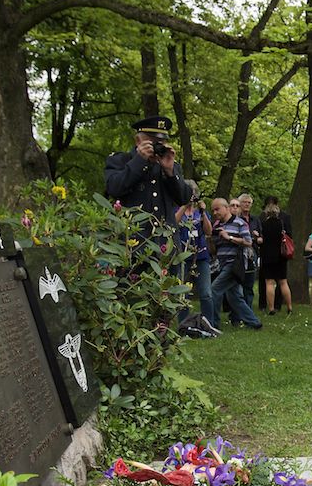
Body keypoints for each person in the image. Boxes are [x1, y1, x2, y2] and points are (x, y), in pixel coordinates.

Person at [105, 115, 192, 239]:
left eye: (162, 142)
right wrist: (139, 161)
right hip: (133, 241)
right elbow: (114, 188)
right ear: (138, 141)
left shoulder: (170, 166)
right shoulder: (121, 160)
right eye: (153, 141)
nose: (157, 146)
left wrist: (170, 171)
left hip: (165, 242)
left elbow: (184, 198)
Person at [209, 198, 262, 330]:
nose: (215, 213)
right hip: (222, 264)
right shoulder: (216, 226)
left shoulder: (240, 223)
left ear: (226, 208)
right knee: (234, 297)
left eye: (217, 209)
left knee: (214, 290)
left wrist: (230, 238)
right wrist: (210, 240)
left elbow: (248, 242)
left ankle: (213, 323)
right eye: (213, 210)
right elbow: (214, 250)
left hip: (234, 265)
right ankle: (254, 323)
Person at [172, 180, 216, 329]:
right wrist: (184, 205)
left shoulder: (199, 212)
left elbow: (209, 231)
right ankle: (184, 325)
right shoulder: (176, 209)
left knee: (206, 293)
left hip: (201, 257)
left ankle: (209, 324)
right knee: (183, 293)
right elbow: (174, 224)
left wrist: (203, 212)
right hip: (183, 257)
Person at [257, 199, 293, 316]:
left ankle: (271, 308)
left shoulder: (263, 225)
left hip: (267, 256)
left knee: (269, 283)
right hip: (281, 256)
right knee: (283, 282)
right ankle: (289, 307)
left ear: (266, 213)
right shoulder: (281, 224)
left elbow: (261, 241)